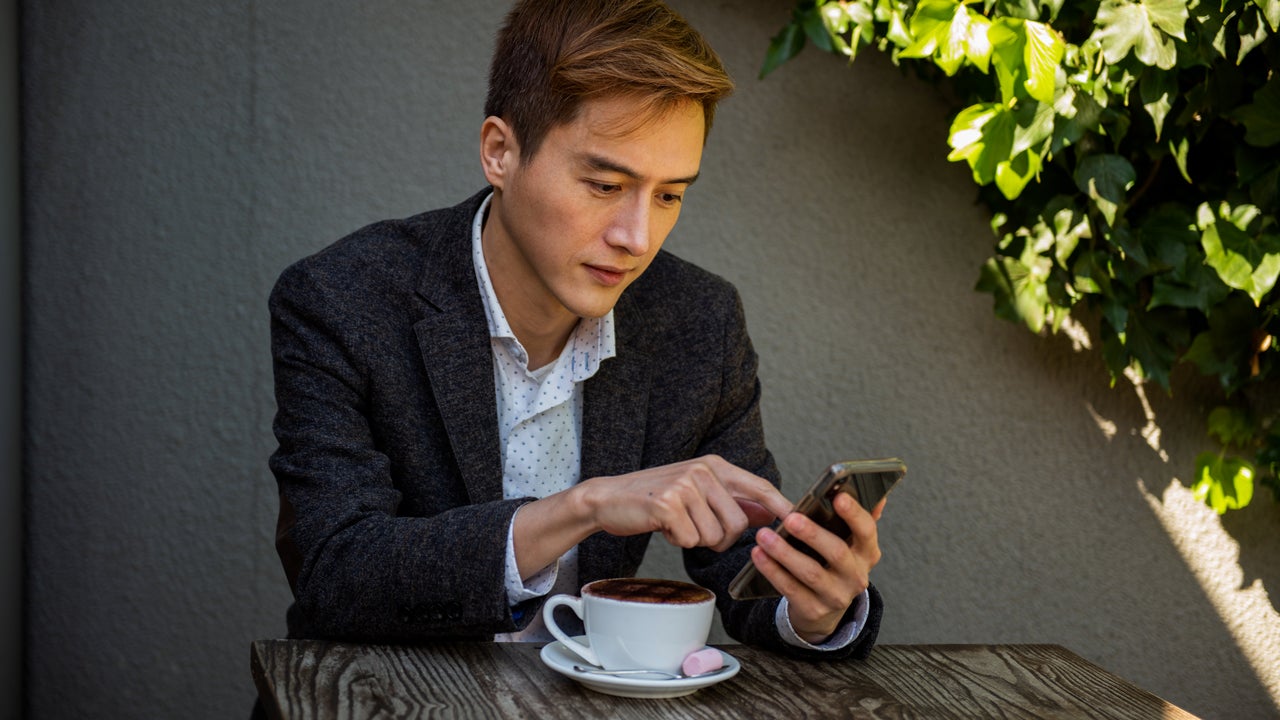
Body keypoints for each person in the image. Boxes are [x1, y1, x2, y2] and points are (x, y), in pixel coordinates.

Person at [268, 0, 885, 660]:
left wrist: (815, 605)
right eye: (604, 184)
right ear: (500, 152)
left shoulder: (700, 322)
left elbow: (744, 571)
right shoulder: (343, 300)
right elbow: (334, 572)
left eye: (670, 194)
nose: (637, 237)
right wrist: (582, 507)